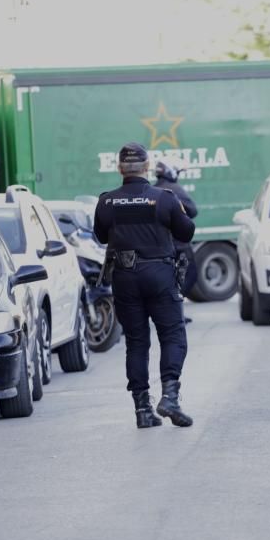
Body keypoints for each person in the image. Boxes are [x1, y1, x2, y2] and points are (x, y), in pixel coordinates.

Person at [94, 143, 196, 429]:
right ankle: (170, 398)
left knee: (136, 343)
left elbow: (101, 236)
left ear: (119, 168)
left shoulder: (106, 201)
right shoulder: (164, 198)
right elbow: (186, 231)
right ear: (147, 167)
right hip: (160, 273)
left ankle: (142, 410)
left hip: (125, 277)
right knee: (173, 335)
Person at [153, 157, 198, 323]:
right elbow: (193, 210)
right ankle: (172, 309)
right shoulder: (174, 189)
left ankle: (174, 311)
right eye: (177, 172)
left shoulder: (153, 189)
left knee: (169, 279)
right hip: (178, 243)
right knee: (190, 275)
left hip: (159, 244)